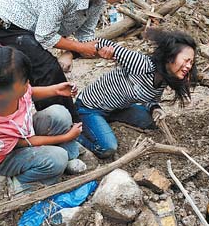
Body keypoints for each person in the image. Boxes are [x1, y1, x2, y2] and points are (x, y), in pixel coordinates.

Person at [0, 0, 136, 122]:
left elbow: (85, 35)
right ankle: (59, 124)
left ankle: (69, 121)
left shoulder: (98, 1)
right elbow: (45, 36)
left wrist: (98, 49)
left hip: (36, 25)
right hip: (8, 21)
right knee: (46, 69)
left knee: (43, 65)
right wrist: (79, 48)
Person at [0, 44, 86, 194]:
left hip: (27, 133)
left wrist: (56, 90)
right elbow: (21, 143)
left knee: (59, 113)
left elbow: (30, 92)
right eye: (24, 83)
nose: (28, 84)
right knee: (57, 158)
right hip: (8, 156)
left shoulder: (9, 91)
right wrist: (65, 136)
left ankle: (70, 158)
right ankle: (24, 182)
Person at [76, 29, 197, 158]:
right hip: (90, 107)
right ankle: (75, 138)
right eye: (186, 60)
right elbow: (100, 42)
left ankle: (104, 122)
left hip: (117, 109)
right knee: (107, 148)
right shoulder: (141, 64)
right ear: (170, 56)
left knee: (151, 122)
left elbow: (150, 100)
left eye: (191, 63)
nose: (189, 66)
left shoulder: (163, 80)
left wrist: (156, 109)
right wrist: (72, 51)